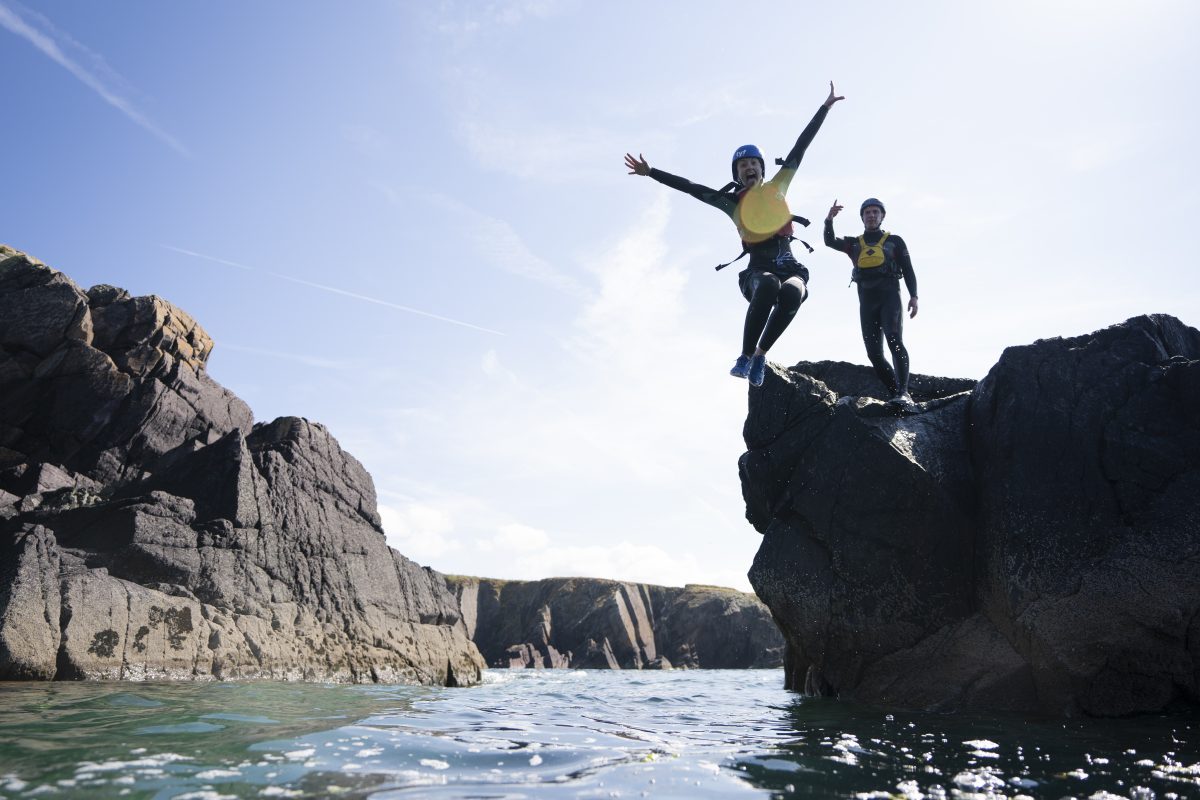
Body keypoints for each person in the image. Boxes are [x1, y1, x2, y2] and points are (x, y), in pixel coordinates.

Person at [624, 82, 844, 387]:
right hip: (758, 268)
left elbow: (800, 146)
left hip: (790, 265)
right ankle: (744, 357)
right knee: (767, 286)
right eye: (743, 165)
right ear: (737, 174)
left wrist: (825, 108)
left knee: (793, 291)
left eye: (754, 163)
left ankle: (759, 355)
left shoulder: (778, 185)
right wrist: (652, 172)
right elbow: (690, 187)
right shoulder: (731, 203)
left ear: (762, 170)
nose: (749, 167)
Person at [823, 197, 919, 408]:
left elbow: (909, 270)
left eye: (876, 212)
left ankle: (904, 392)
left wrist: (914, 296)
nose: (872, 215)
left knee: (894, 340)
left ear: (882, 216)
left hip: (890, 298)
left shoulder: (895, 241)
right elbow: (829, 241)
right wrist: (829, 220)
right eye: (868, 212)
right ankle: (896, 394)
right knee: (874, 353)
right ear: (862, 217)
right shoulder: (854, 243)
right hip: (867, 303)